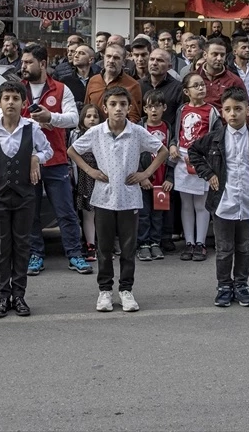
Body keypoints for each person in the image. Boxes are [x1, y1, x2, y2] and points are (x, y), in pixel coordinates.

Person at [69, 87, 165, 313]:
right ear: (105, 108)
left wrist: (145, 174)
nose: (118, 108)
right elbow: (72, 151)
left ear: (129, 107)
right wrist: (90, 170)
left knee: (128, 247)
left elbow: (161, 151)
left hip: (129, 198)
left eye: (123, 104)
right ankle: (104, 290)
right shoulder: (96, 132)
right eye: (113, 104)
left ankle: (126, 290)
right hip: (103, 198)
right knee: (104, 247)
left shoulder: (137, 132)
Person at [188, 86, 249, 309]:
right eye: (228, 109)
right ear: (222, 112)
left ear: (247, 110)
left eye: (238, 109)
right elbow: (194, 152)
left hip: (248, 201)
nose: (233, 114)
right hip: (223, 201)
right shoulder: (215, 138)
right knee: (224, 248)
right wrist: (208, 174)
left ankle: (241, 284)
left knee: (244, 247)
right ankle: (223, 286)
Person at [0, 82, 51, 318]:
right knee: (2, 247)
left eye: (16, 98)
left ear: (23, 103)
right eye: (6, 98)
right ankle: (3, 295)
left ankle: (20, 294)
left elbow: (49, 151)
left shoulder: (32, 129)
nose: (11, 102)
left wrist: (37, 157)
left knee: (22, 245)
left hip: (25, 195)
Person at [18, 44, 88, 276]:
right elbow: (6, 119)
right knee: (31, 211)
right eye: (23, 62)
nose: (24, 66)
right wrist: (37, 122)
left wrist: (51, 117)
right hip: (27, 161)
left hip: (56, 159)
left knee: (65, 210)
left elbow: (72, 118)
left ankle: (75, 254)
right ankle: (36, 255)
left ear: (43, 64)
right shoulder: (18, 89)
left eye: (29, 62)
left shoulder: (61, 89)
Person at [172, 72, 216, 262]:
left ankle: (201, 242)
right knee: (186, 204)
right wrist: (173, 145)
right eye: (196, 85)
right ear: (186, 91)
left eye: (202, 85)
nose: (201, 88)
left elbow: (215, 137)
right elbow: (177, 132)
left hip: (201, 160)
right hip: (183, 159)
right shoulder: (182, 109)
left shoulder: (212, 111)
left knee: (201, 204)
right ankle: (189, 242)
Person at [135, 91, 172, 262]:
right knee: (143, 213)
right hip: (143, 180)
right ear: (145, 109)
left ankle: (155, 242)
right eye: (149, 107)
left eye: (157, 106)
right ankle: (143, 244)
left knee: (158, 213)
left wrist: (170, 177)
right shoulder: (139, 128)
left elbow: (171, 157)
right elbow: (133, 154)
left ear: (164, 107)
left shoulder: (168, 128)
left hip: (161, 179)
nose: (154, 110)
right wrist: (142, 177)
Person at [84, 43, 143, 123]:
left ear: (123, 61)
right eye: (108, 56)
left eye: (116, 58)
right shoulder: (93, 80)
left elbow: (134, 117)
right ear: (104, 58)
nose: (111, 61)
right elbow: (86, 109)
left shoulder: (132, 85)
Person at [73, 104, 102, 256]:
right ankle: (90, 245)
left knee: (103, 214)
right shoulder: (76, 135)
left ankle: (104, 245)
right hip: (84, 179)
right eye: (88, 116)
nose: (92, 119)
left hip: (102, 177)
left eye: (95, 116)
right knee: (87, 213)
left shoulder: (104, 134)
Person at [196, 39, 247, 112]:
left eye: (222, 55)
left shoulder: (234, 81)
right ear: (205, 55)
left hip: (224, 122)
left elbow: (245, 109)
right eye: (215, 54)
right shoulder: (193, 78)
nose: (219, 58)